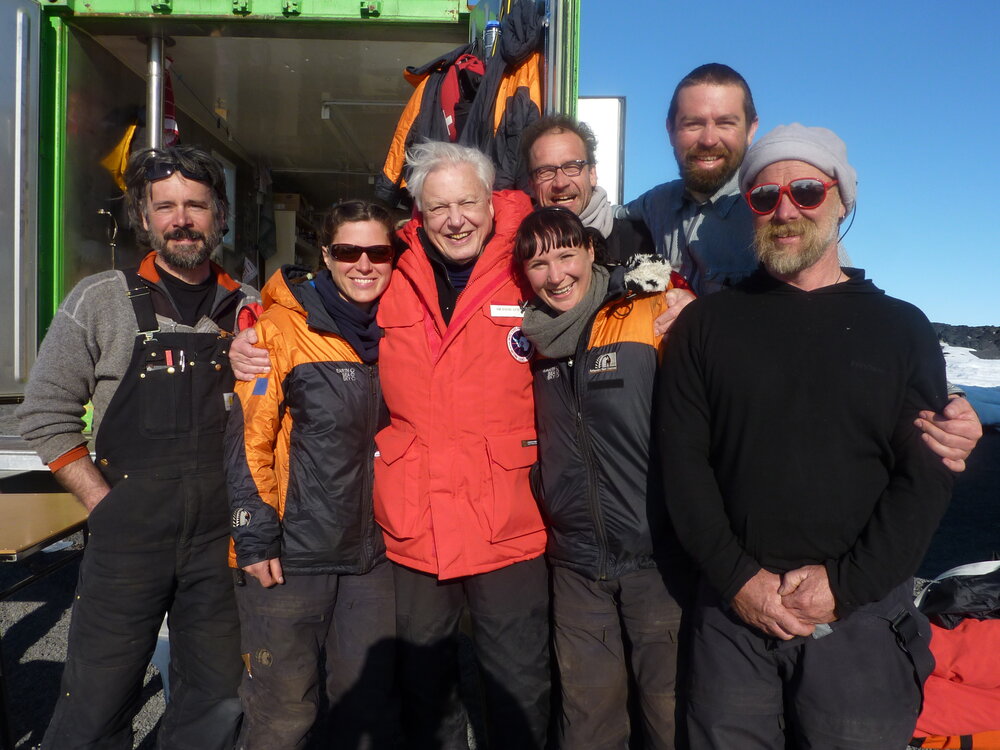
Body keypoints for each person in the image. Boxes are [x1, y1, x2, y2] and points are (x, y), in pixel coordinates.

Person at [656, 124, 955, 749]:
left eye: (807, 190)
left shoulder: (902, 329)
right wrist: (738, 579)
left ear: (842, 198)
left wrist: (843, 587)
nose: (785, 210)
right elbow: (682, 466)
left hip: (860, 623)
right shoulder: (707, 324)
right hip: (732, 619)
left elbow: (923, 479)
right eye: (765, 197)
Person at [618, 62, 981, 466]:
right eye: (692, 123)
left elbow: (844, 311)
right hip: (684, 424)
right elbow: (594, 220)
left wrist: (947, 398)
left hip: (761, 432)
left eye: (725, 122)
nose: (708, 138)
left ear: (752, 128)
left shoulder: (775, 211)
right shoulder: (656, 204)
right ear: (669, 128)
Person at [16, 145, 258, 749]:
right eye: (166, 206)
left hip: (220, 540)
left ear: (219, 216)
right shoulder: (99, 301)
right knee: (95, 699)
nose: (182, 219)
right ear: (145, 219)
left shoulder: (254, 308)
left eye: (196, 205)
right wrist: (102, 504)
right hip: (126, 534)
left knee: (218, 699)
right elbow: (44, 415)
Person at [374, 141, 549, 749]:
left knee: (519, 684)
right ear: (418, 215)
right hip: (415, 518)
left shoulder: (528, 261)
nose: (456, 219)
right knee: (423, 687)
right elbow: (318, 311)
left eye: (467, 203)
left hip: (508, 516)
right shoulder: (391, 271)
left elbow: (593, 295)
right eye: (439, 207)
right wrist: (254, 338)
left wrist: (672, 302)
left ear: (491, 204)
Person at [224, 201, 399, 749]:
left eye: (379, 252)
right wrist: (254, 537)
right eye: (349, 251)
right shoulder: (277, 330)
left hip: (373, 557)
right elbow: (249, 437)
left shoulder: (403, 330)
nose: (364, 264)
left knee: (364, 710)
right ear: (326, 255)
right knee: (283, 713)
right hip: (292, 556)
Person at [515, 206, 690, 749]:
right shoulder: (530, 339)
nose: (555, 274)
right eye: (538, 263)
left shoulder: (648, 311)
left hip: (656, 558)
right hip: (575, 565)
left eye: (566, 254)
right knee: (588, 718)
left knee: (669, 713)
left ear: (592, 251)